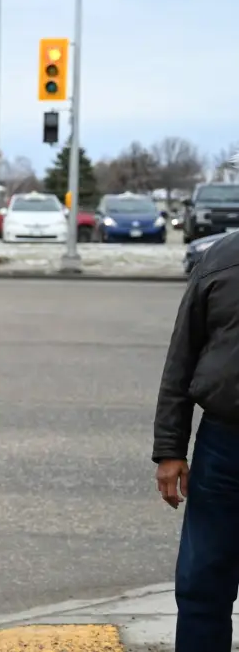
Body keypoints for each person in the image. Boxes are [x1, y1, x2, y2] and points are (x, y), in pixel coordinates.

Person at [153, 229, 239, 652]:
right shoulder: (221, 260)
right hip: (224, 445)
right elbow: (182, 358)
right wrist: (170, 449)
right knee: (202, 583)